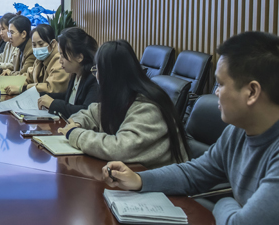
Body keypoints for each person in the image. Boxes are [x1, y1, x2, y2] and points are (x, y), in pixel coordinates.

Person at [102, 32, 279, 225]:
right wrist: (139, 179)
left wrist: (224, 202)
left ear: (252, 92)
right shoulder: (237, 131)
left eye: (221, 84)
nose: (216, 92)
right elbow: (195, 173)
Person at [58, 40, 189, 169]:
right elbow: (91, 113)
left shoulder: (148, 107)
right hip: (135, 176)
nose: (96, 76)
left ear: (113, 74)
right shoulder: (123, 97)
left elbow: (119, 149)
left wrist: (76, 134)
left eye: (99, 71)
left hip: (160, 181)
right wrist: (77, 123)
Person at [37, 27, 99, 115]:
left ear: (79, 57)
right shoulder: (75, 73)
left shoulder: (94, 78)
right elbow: (69, 98)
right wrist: (42, 96)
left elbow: (86, 111)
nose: (60, 61)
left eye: (63, 55)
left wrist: (53, 104)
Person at [5, 24, 70, 95]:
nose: (37, 48)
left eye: (41, 44)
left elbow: (51, 88)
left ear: (53, 43)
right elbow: (29, 78)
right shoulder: (40, 59)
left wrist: (23, 88)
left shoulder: (60, 60)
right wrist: (5, 82)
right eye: (34, 45)